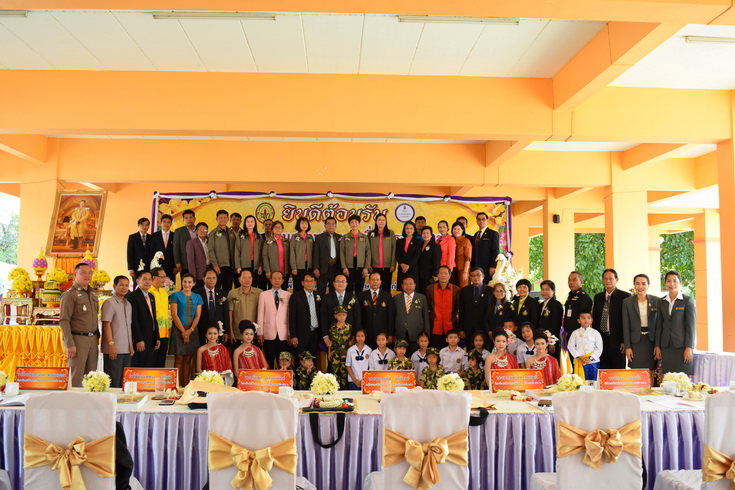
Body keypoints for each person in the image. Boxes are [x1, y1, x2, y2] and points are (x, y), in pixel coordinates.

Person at [59, 263, 100, 387]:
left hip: (92, 339)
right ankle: (73, 400)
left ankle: (89, 400)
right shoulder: (69, 294)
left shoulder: (92, 293)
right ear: (75, 274)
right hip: (78, 340)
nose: (87, 275)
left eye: (89, 273)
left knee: (91, 377)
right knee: (76, 377)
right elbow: (64, 320)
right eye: (83, 272)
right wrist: (69, 343)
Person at [655, 270, 696, 376]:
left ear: (680, 283)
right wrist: (657, 345)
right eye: (668, 281)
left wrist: (689, 347)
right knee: (668, 378)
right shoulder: (661, 301)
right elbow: (659, 325)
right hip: (666, 346)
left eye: (675, 281)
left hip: (682, 346)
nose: (671, 284)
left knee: (682, 378)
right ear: (665, 283)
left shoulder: (687, 300)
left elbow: (691, 326)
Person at [592, 269, 631, 370]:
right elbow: (595, 319)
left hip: (618, 341)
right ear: (602, 280)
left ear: (616, 280)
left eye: (611, 278)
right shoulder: (598, 297)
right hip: (601, 340)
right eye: (605, 278)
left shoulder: (625, 297)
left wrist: (624, 341)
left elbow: (627, 321)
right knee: (603, 369)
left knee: (618, 370)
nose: (608, 281)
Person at [169, 273, 202, 387]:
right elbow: (174, 314)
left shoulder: (197, 297)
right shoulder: (175, 295)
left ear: (194, 284)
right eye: (185, 282)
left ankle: (186, 387)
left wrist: (190, 330)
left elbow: (198, 315)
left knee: (188, 360)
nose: (187, 284)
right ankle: (176, 387)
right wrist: (184, 332)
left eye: (189, 282)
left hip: (192, 329)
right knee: (178, 359)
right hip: (178, 329)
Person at [101, 275, 134, 388]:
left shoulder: (128, 304)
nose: (124, 288)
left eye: (126, 285)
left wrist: (131, 346)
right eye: (121, 285)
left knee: (124, 382)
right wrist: (111, 345)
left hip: (126, 349)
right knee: (113, 381)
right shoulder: (109, 303)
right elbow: (106, 325)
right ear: (114, 286)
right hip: (114, 349)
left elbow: (128, 327)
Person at [622, 274, 660, 371]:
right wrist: (628, 347)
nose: (640, 287)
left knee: (651, 370)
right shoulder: (627, 302)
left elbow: (659, 325)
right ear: (634, 285)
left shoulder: (656, 300)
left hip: (651, 341)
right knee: (636, 371)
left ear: (648, 285)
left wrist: (657, 345)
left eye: (643, 284)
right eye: (637, 284)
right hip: (635, 342)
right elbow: (626, 326)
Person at [257, 271, 291, 368]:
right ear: (270, 280)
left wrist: (290, 333)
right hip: (268, 333)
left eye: (279, 278)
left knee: (283, 362)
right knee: (269, 360)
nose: (277, 280)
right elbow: (260, 314)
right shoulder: (263, 294)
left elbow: (290, 316)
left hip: (283, 334)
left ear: (283, 281)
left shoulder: (288, 295)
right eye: (274, 278)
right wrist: (260, 333)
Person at [127, 271, 161, 368]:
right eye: (144, 279)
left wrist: (157, 337)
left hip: (151, 339)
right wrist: (138, 339)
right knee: (138, 368)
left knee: (148, 368)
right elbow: (133, 320)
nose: (148, 282)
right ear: (137, 281)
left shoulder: (151, 296)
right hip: (140, 340)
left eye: (150, 279)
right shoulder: (132, 296)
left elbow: (153, 318)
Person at [391, 275, 430, 353]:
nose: (408, 286)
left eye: (410, 284)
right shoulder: (396, 298)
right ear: (402, 286)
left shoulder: (422, 298)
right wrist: (392, 334)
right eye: (406, 284)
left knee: (415, 356)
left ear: (414, 285)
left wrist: (426, 334)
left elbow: (426, 317)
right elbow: (392, 317)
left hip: (417, 333)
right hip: (400, 333)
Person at [426, 265, 461, 348]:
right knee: (435, 352)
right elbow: (427, 307)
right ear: (437, 275)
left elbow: (458, 308)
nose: (443, 275)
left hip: (451, 327)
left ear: (450, 275)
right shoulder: (430, 289)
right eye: (441, 273)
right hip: (434, 327)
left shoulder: (456, 290)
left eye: (445, 273)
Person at [355, 272, 393, 348]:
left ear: (380, 282)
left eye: (377, 280)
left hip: (382, 335)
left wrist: (390, 334)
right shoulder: (361, 296)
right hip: (366, 334)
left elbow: (390, 316)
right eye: (373, 280)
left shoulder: (387, 296)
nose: (375, 282)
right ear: (369, 281)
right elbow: (358, 316)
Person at [288, 272, 321, 358]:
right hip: (301, 334)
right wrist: (293, 336)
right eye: (307, 281)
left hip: (315, 334)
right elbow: (292, 318)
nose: (309, 283)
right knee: (300, 359)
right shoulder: (295, 297)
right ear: (302, 283)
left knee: (313, 359)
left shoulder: (319, 296)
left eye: (311, 281)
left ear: (315, 283)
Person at [321, 273, 360, 346]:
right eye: (338, 281)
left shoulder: (353, 297)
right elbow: (323, 317)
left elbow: (357, 317)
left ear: (346, 284)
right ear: (334, 283)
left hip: (349, 336)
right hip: (332, 336)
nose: (340, 284)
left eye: (343, 281)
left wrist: (355, 335)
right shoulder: (327, 298)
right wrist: (325, 335)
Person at [227, 269, 262, 349]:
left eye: (249, 277)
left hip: (254, 334)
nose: (247, 280)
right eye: (244, 277)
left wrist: (261, 333)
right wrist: (230, 332)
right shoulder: (232, 293)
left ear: (252, 279)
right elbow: (230, 313)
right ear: (239, 279)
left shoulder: (259, 293)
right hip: (237, 334)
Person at [567, 310, 603, 381]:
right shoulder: (575, 333)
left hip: (593, 362)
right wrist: (579, 356)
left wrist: (590, 358)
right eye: (583, 318)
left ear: (591, 321)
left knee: (593, 381)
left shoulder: (596, 333)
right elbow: (570, 346)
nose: (586, 320)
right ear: (578, 320)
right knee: (580, 382)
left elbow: (599, 348)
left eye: (588, 318)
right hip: (579, 361)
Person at [340, 214, 371, 295]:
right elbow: (342, 253)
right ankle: (349, 303)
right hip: (348, 266)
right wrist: (344, 267)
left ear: (359, 223)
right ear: (349, 224)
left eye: (356, 222)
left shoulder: (364, 237)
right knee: (348, 289)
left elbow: (368, 253)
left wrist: (366, 267)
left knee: (359, 289)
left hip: (361, 266)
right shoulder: (345, 237)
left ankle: (359, 303)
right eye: (352, 222)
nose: (354, 224)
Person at [208, 209, 237, 291]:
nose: (222, 220)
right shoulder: (213, 233)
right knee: (216, 289)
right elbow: (210, 250)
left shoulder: (231, 232)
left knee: (228, 288)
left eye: (224, 218)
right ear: (216, 219)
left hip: (230, 266)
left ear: (228, 219)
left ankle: (225, 300)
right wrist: (215, 265)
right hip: (219, 266)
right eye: (220, 218)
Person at [458, 267, 491, 338]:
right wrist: (461, 328)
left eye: (478, 275)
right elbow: (462, 310)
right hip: (468, 327)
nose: (475, 277)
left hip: (484, 327)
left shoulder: (490, 291)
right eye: (472, 275)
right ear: (470, 277)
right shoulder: (465, 290)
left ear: (483, 276)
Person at [148, 267, 171, 368]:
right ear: (154, 278)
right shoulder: (148, 292)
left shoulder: (164, 292)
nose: (164, 279)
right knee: (151, 363)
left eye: (165, 277)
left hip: (164, 333)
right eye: (162, 277)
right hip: (153, 334)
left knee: (161, 363)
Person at [313, 217, 342, 297]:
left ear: (335, 226)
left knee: (334, 293)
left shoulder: (340, 237)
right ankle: (320, 305)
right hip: (322, 269)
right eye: (328, 223)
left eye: (333, 224)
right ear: (325, 225)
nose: (331, 226)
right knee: (320, 292)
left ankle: (332, 305)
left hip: (336, 269)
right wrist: (316, 268)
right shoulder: (319, 237)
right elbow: (316, 253)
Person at [233, 215, 263, 293]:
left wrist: (260, 265)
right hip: (244, 265)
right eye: (248, 221)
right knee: (243, 286)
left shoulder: (259, 236)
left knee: (254, 286)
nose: (250, 223)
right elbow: (237, 251)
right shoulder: (241, 236)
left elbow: (261, 253)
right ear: (245, 223)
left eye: (252, 221)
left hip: (255, 265)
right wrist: (238, 266)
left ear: (255, 223)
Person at [536, 280, 564, 362]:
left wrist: (552, 342)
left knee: (552, 362)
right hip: (542, 340)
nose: (544, 291)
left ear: (553, 291)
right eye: (542, 289)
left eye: (547, 289)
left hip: (551, 341)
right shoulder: (541, 305)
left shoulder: (556, 304)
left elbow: (556, 325)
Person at [368, 213, 396, 292]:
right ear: (376, 221)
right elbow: (368, 250)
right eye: (379, 220)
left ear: (386, 222)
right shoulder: (371, 234)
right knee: (375, 288)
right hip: (374, 266)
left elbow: (394, 249)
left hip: (387, 266)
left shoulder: (391, 233)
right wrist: (368, 264)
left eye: (383, 220)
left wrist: (393, 264)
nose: (381, 222)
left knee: (386, 288)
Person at [470, 212, 500, 284]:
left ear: (487, 220)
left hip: (487, 267)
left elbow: (495, 251)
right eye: (479, 219)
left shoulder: (492, 234)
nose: (481, 221)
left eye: (483, 219)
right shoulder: (476, 234)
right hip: (476, 267)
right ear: (477, 221)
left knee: (486, 286)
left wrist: (493, 266)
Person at [564, 271, 593, 344]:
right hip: (570, 333)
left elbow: (585, 319)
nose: (571, 282)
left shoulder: (584, 297)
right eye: (569, 280)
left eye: (574, 280)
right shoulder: (571, 296)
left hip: (580, 335)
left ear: (581, 282)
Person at [327, 305, 352, 389]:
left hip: (345, 353)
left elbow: (351, 342)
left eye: (343, 315)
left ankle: (344, 389)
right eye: (339, 315)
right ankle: (335, 389)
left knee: (344, 372)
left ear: (346, 316)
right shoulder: (332, 327)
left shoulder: (349, 327)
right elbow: (330, 342)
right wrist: (329, 352)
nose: (342, 317)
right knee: (335, 372)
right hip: (335, 353)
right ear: (335, 316)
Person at [289, 218, 314, 294]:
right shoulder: (294, 237)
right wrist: (293, 267)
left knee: (308, 287)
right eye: (302, 223)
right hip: (298, 267)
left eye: (306, 223)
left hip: (309, 266)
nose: (304, 225)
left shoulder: (310, 237)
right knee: (298, 287)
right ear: (298, 225)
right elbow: (292, 253)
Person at [262, 220, 290, 287]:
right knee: (272, 291)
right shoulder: (268, 241)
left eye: (279, 227)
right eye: (276, 227)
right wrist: (267, 271)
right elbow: (265, 256)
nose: (278, 229)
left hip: (285, 272)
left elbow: (290, 256)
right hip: (272, 272)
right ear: (272, 229)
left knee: (284, 290)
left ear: (282, 229)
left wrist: (290, 270)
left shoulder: (286, 241)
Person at [395, 220, 421, 292]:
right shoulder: (399, 241)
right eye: (407, 228)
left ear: (414, 230)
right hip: (402, 269)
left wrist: (408, 265)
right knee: (403, 288)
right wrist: (401, 264)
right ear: (404, 229)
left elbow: (417, 255)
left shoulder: (417, 241)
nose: (409, 230)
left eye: (411, 228)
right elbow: (397, 254)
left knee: (413, 290)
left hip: (413, 268)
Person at [127, 217, 152, 285]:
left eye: (146, 225)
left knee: (147, 285)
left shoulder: (151, 237)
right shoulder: (132, 237)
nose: (144, 227)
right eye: (142, 225)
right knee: (137, 285)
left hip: (148, 267)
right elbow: (130, 254)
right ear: (138, 225)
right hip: (136, 267)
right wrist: (130, 268)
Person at [417, 226, 440, 295]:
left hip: (430, 276)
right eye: (424, 233)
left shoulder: (435, 246)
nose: (425, 235)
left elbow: (436, 261)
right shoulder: (419, 245)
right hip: (419, 275)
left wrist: (435, 274)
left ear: (431, 235)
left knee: (429, 294)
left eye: (427, 233)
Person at [151, 214, 175, 279]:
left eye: (168, 222)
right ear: (160, 223)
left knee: (170, 284)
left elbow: (176, 252)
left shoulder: (175, 235)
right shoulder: (154, 236)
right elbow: (152, 252)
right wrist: (153, 266)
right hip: (158, 266)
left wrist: (175, 266)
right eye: (164, 221)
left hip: (171, 267)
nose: (166, 224)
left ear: (171, 224)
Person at [186, 222, 210, 289]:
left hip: (210, 270)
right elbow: (190, 261)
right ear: (196, 231)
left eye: (205, 230)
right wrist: (192, 274)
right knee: (199, 291)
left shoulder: (210, 242)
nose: (203, 231)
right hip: (199, 272)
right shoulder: (191, 243)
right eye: (201, 230)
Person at [174, 209, 197, 277]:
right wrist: (178, 263)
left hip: (198, 263)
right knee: (187, 282)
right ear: (183, 220)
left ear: (194, 219)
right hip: (185, 264)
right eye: (186, 218)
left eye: (190, 217)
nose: (189, 219)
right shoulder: (179, 231)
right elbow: (176, 248)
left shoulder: (199, 230)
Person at [452, 221, 472, 288]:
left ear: (462, 230)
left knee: (463, 288)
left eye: (458, 229)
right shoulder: (451, 240)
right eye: (454, 229)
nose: (456, 231)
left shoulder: (466, 241)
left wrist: (465, 272)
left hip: (463, 269)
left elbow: (468, 258)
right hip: (453, 269)